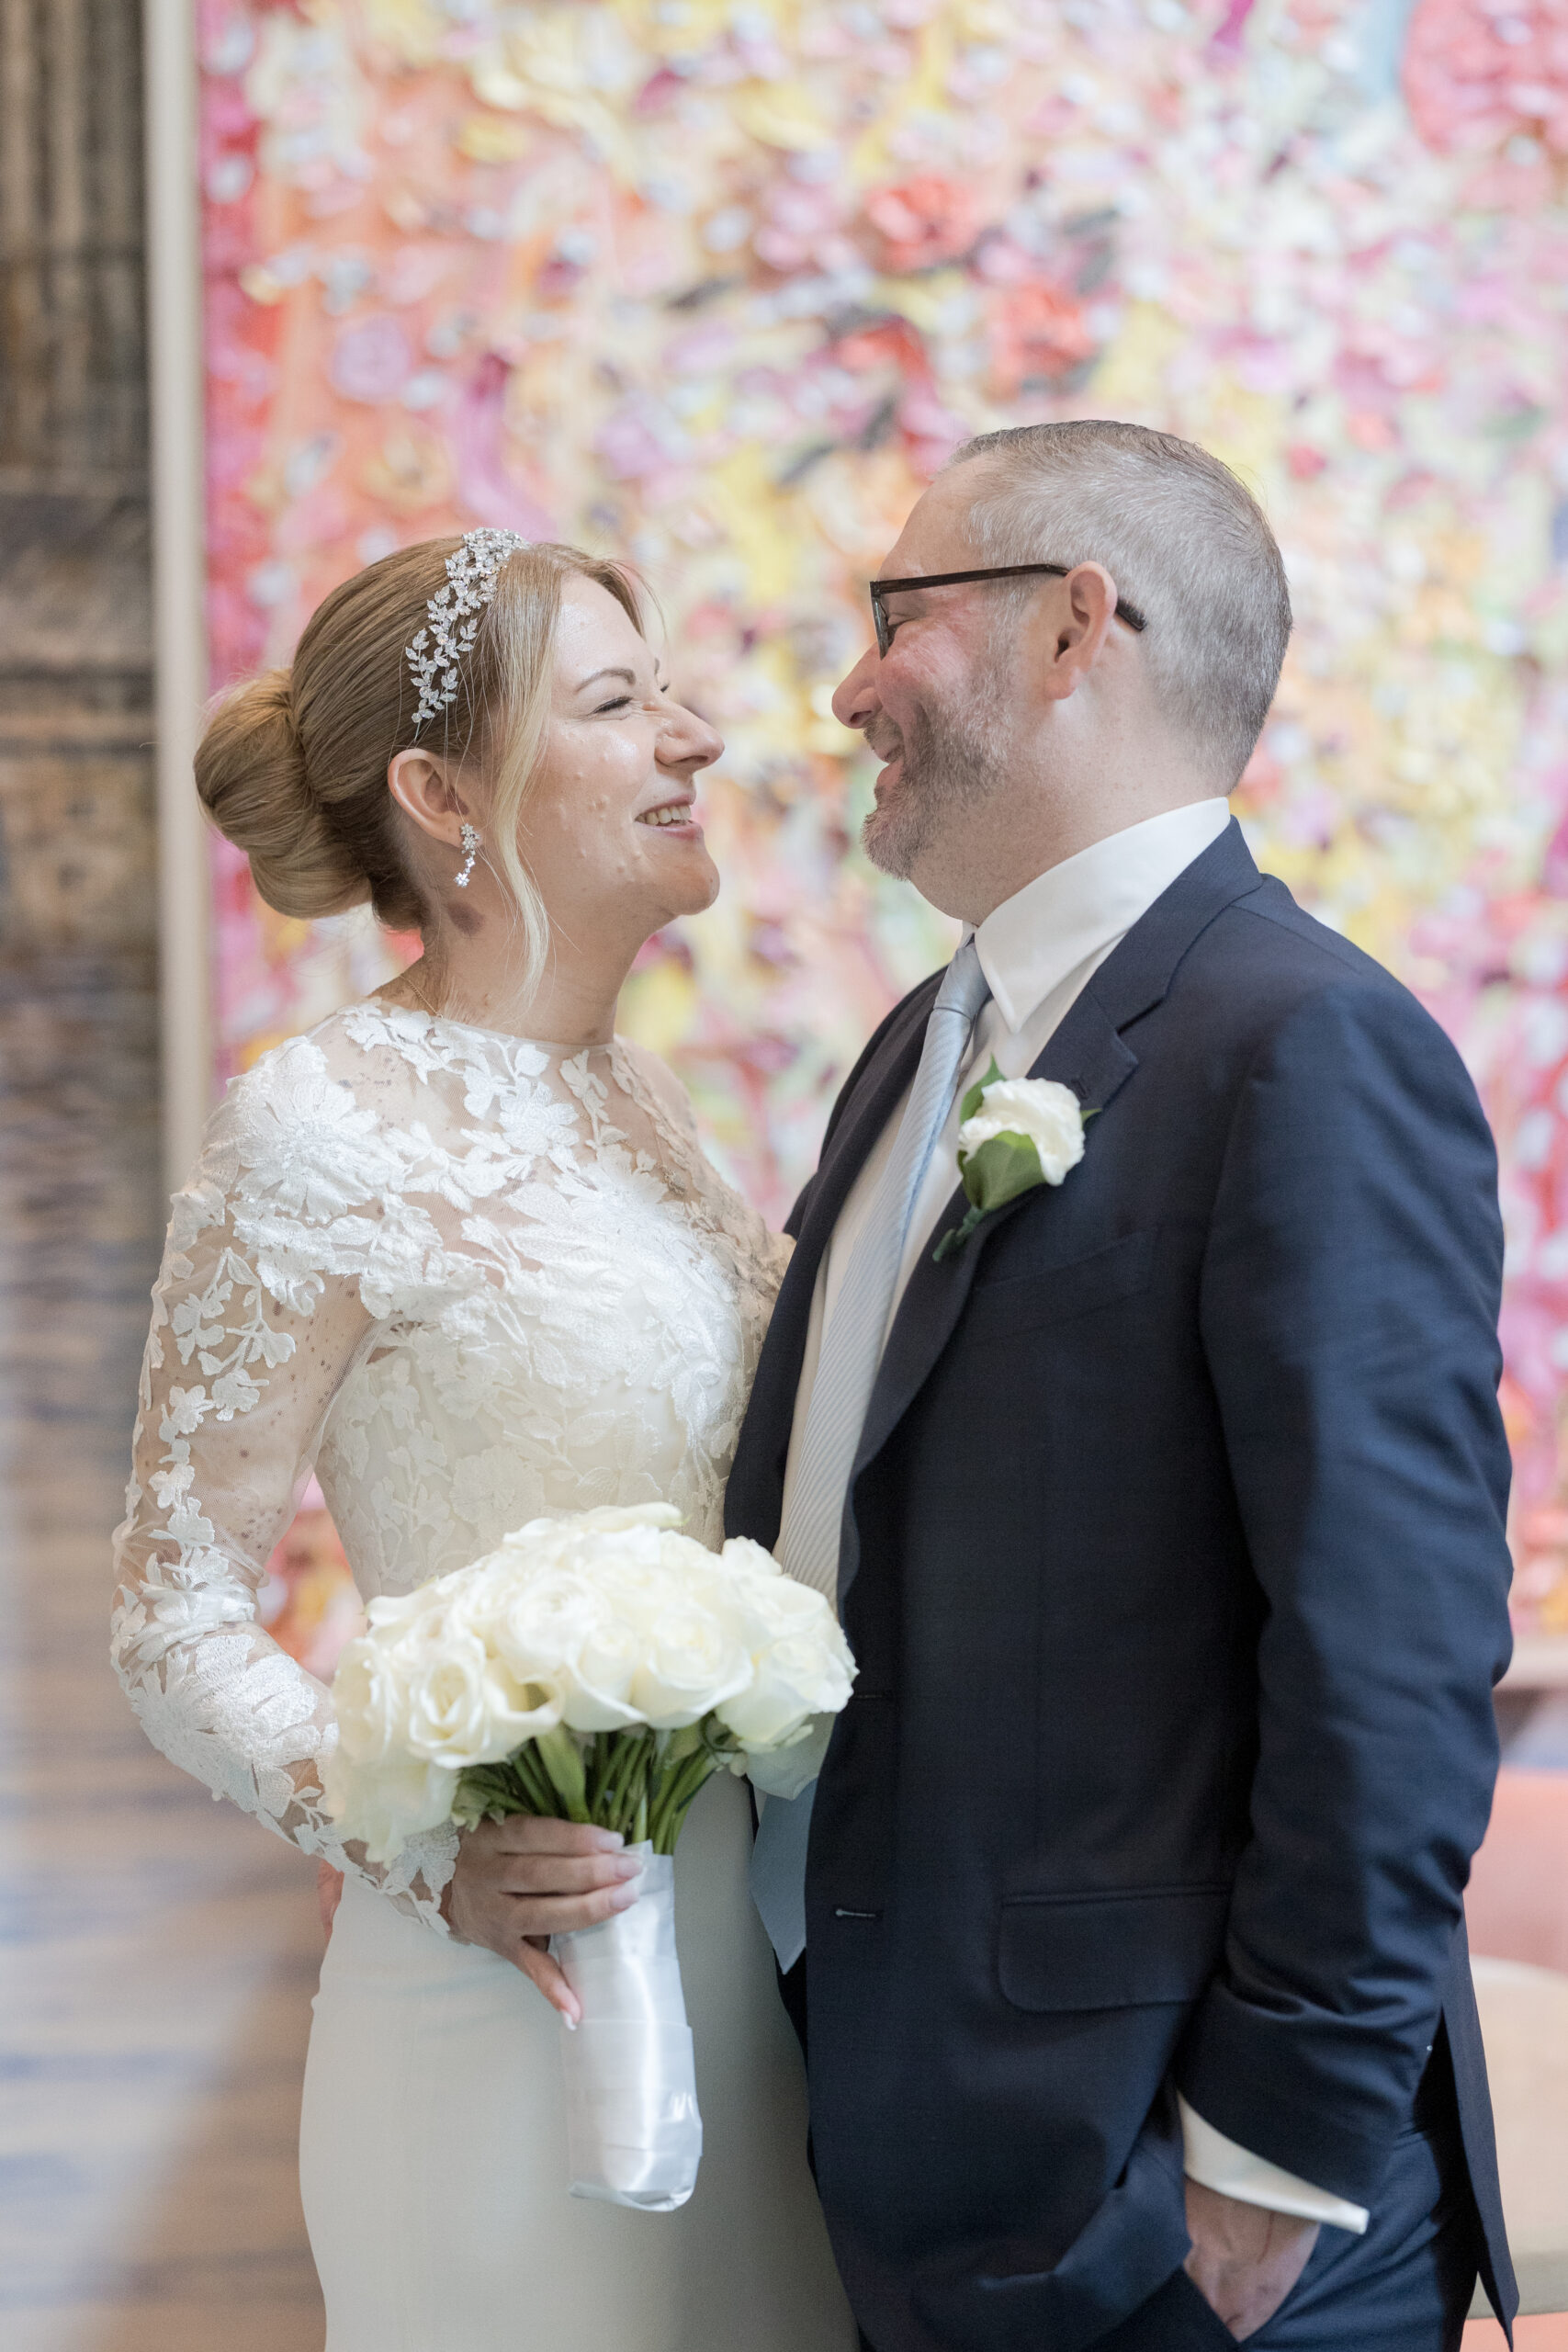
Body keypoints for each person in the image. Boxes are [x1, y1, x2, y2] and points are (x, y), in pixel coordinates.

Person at [725, 422, 1518, 2351]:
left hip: (1178, 2208)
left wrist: (1255, 2172)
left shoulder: (1303, 1044)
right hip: (914, 2139)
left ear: (1075, 626)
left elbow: (1394, 1656)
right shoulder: (925, 1040)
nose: (846, 689)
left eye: (893, 614)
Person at [110, 532, 857, 2352]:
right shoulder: (319, 1127)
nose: (694, 738)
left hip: (748, 1996)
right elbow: (173, 1610)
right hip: (495, 1996)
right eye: (616, 702)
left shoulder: (646, 1102)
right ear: (442, 795)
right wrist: (417, 1843)